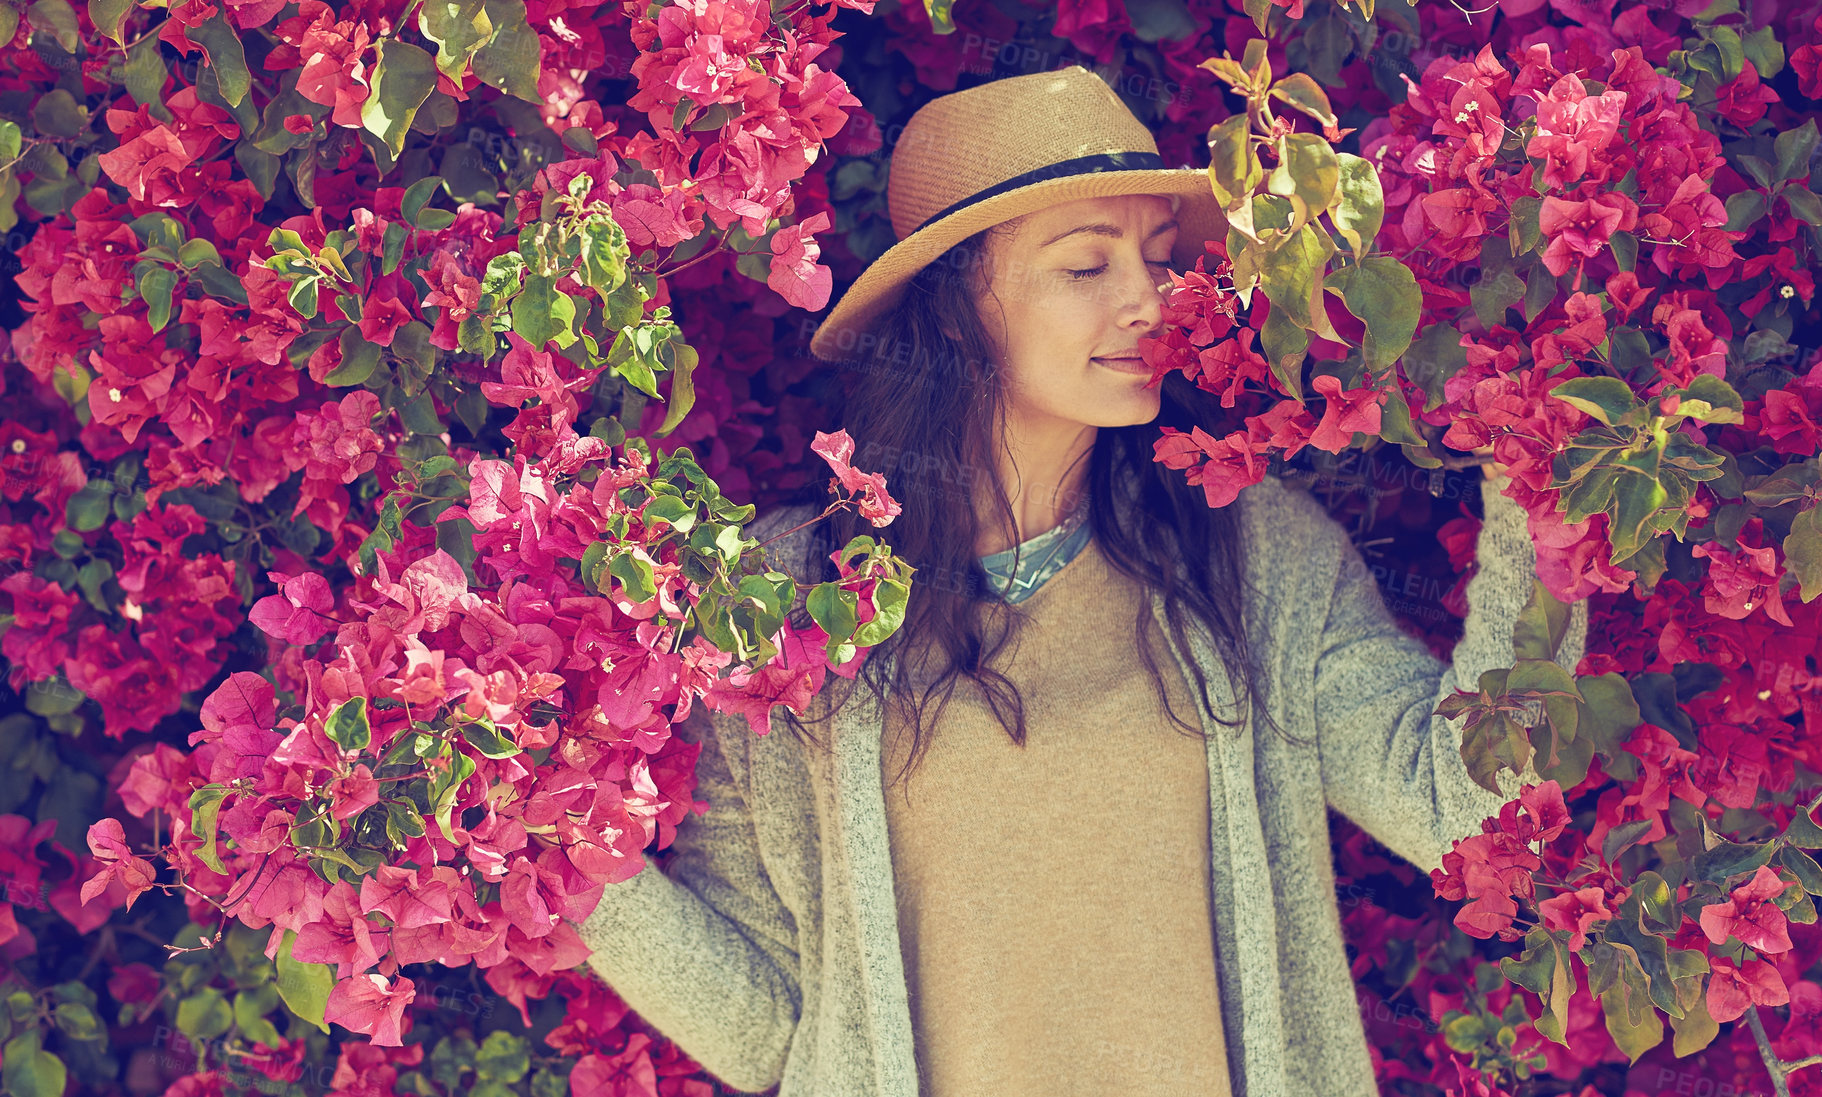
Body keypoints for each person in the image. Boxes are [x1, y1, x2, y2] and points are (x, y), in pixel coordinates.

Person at [576, 66, 1587, 1097]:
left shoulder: (1254, 559)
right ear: (957, 306)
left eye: (1154, 259)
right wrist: (547, 847)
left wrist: (1542, 470)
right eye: (1084, 266)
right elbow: (771, 1030)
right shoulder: (787, 608)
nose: (1148, 300)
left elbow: (1460, 811)